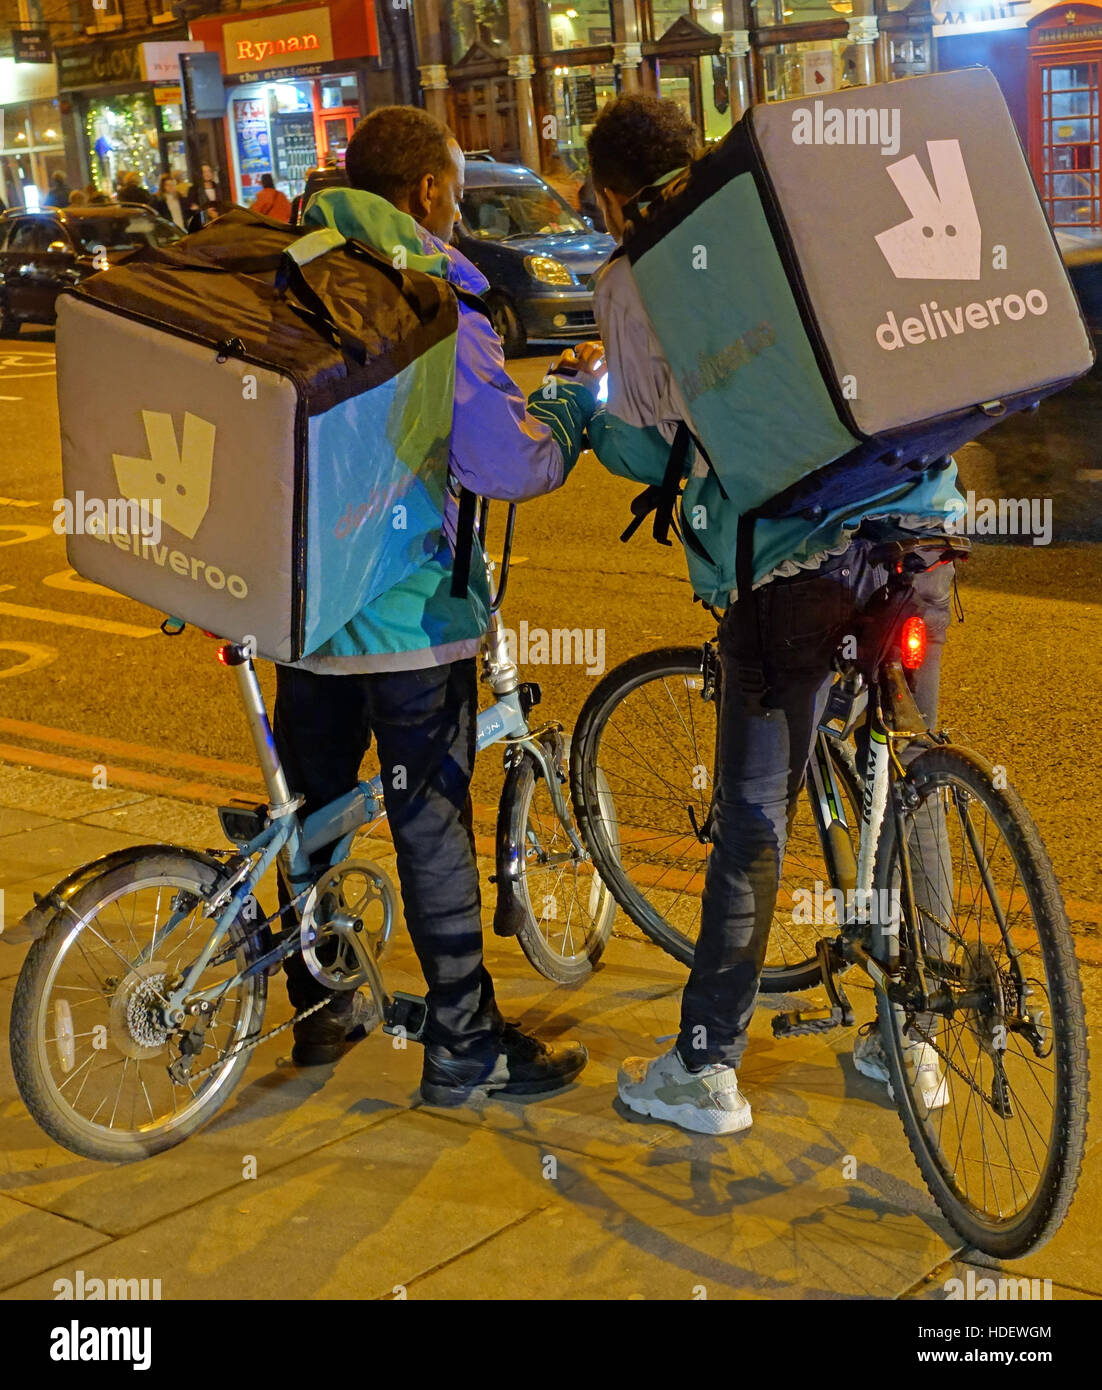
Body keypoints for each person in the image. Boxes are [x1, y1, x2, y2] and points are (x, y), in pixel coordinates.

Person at [571, 94, 964, 1136]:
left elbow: (660, 445)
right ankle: (909, 1037)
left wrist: (581, 418)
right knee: (904, 771)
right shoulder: (789, 205)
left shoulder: (637, 272)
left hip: (795, 567)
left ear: (613, 198)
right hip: (916, 528)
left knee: (752, 820)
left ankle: (704, 1066)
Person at [275, 105, 605, 1107]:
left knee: (318, 805)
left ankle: (318, 999)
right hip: (410, 612)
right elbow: (501, 461)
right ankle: (462, 1041)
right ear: (424, 193)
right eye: (456, 188)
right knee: (429, 822)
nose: (459, 206)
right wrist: (566, 414)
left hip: (301, 605)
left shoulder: (290, 272)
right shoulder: (427, 301)